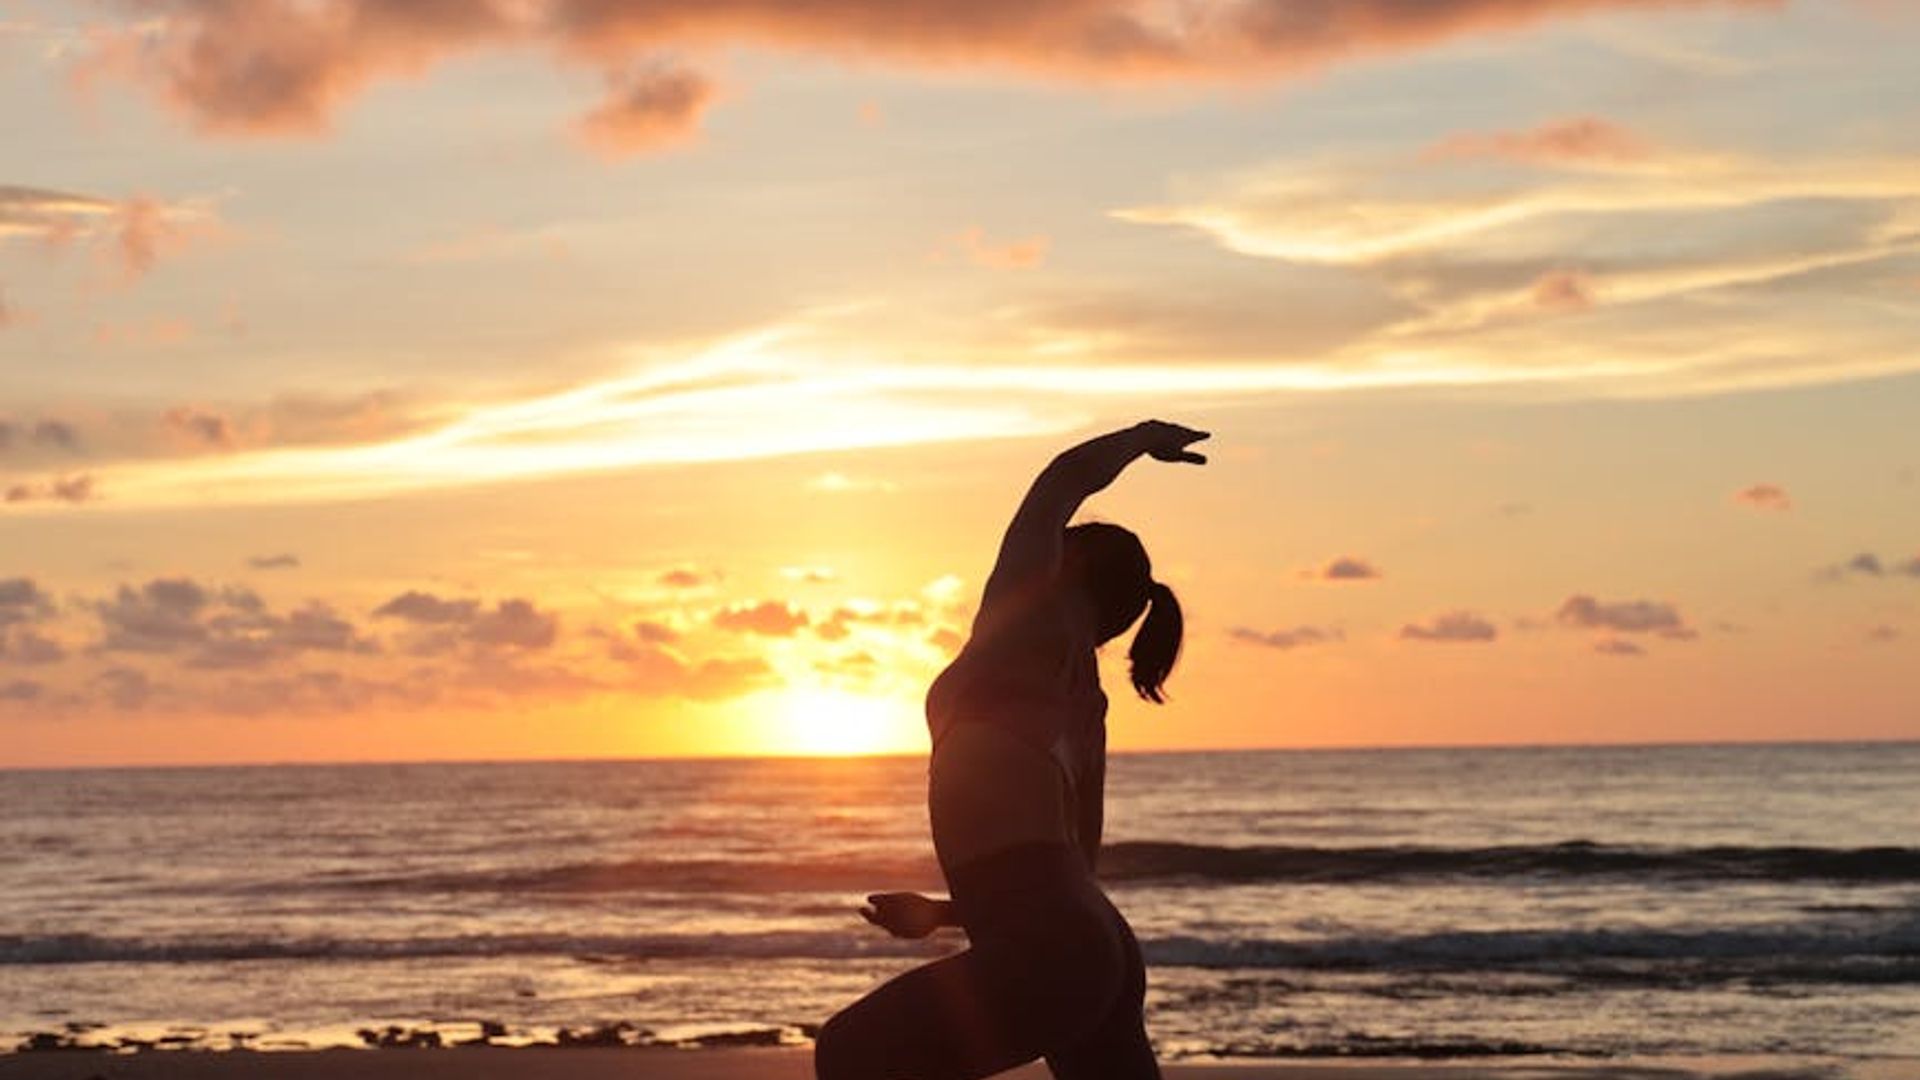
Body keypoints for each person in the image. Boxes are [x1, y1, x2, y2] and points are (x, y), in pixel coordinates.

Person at [814, 420, 1208, 1080]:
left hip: (1049, 946)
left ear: (1064, 564)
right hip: (1096, 944)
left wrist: (1143, 438)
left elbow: (1060, 481)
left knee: (852, 1053)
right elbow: (1070, 866)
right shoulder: (1089, 706)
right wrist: (942, 914)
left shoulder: (1023, 622)